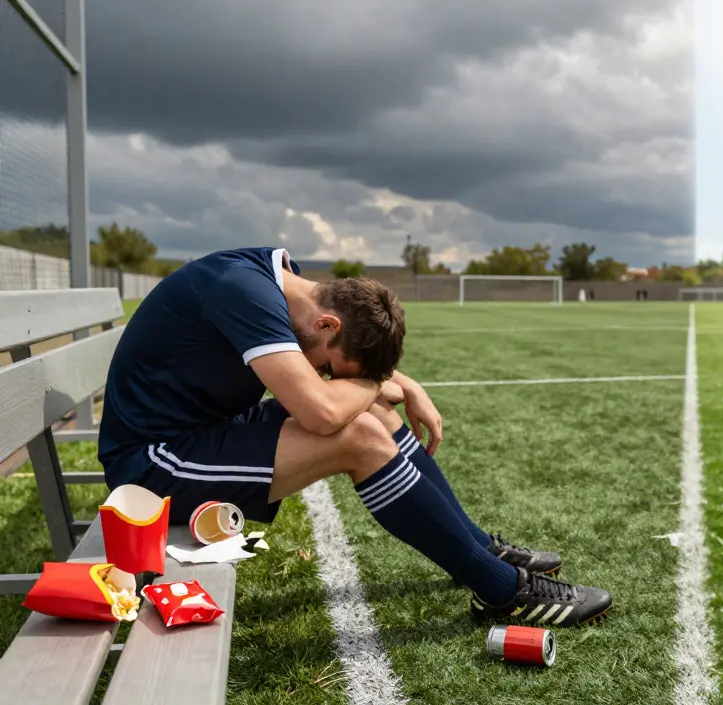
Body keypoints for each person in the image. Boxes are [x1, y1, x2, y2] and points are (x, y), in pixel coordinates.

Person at [97, 247, 612, 627]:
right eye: (329, 366)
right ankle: (502, 592)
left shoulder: (282, 282)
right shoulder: (243, 292)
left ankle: (480, 552)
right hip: (153, 464)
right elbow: (322, 414)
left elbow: (343, 391)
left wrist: (396, 385)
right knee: (357, 433)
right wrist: (376, 384)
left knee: (374, 415)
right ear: (327, 323)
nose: (324, 372)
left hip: (204, 432)